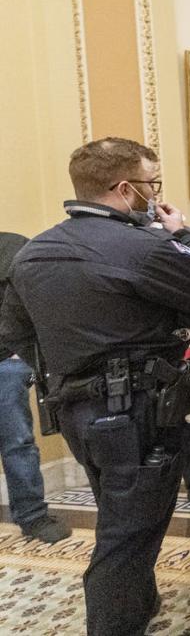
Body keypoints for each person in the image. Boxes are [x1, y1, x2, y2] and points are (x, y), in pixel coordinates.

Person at [0, 137, 190, 636]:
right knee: (126, 539)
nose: (157, 195)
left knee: (120, 511)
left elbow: (18, 331)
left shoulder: (33, 252)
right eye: (153, 184)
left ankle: (142, 602)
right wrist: (184, 234)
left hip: (76, 414)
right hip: (137, 414)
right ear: (126, 189)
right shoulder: (143, 247)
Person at [0, 232, 71, 544]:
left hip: (6, 362)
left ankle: (32, 516)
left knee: (18, 442)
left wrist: (22, 355)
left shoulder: (14, 247)